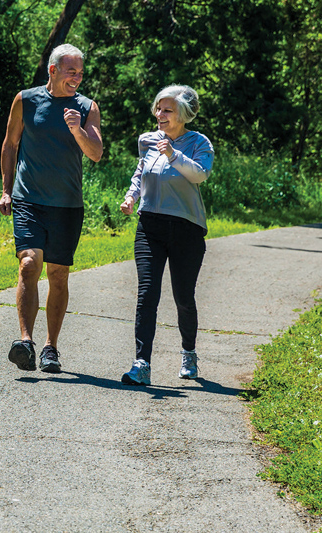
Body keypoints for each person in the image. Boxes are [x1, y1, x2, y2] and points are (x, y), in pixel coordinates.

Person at [0, 44, 103, 373]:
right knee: (29, 264)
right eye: (71, 71)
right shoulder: (26, 100)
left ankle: (50, 347)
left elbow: (96, 153)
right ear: (53, 70)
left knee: (58, 275)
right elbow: (11, 143)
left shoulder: (87, 107)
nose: (77, 77)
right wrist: (6, 190)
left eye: (81, 72)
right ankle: (26, 342)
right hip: (29, 198)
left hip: (67, 205)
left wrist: (77, 128)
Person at [119, 84, 214, 385]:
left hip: (187, 228)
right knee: (147, 294)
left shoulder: (199, 142)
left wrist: (174, 155)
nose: (160, 114)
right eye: (158, 108)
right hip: (150, 226)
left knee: (183, 297)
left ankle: (188, 353)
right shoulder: (148, 140)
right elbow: (140, 173)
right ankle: (141, 364)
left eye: (167, 109)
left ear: (183, 113)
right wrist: (131, 197)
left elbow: (200, 174)